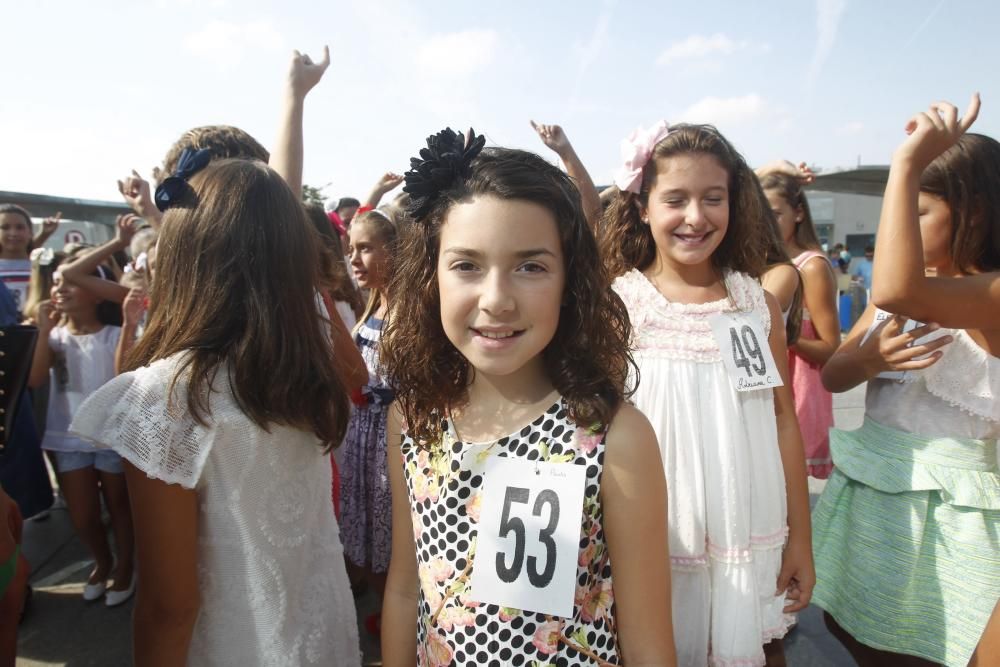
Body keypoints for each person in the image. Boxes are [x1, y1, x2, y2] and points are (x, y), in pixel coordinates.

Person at [379, 129, 675, 665]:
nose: (497, 300)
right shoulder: (412, 419)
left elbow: (649, 640)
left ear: (570, 281)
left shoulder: (613, 437)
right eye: (466, 265)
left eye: (530, 266)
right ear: (431, 278)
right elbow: (405, 589)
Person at [70, 157, 361, 666]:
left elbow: (168, 607)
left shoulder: (163, 401)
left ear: (182, 256)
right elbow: (359, 382)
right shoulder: (306, 362)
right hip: (323, 637)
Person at [600, 121, 814, 666]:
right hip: (658, 536)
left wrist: (800, 539)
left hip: (748, 525)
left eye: (712, 199)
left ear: (733, 205)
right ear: (643, 206)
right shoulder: (618, 307)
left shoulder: (756, 304)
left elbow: (783, 419)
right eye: (676, 199)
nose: (695, 217)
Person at [815, 94, 998, 667]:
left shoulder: (985, 294)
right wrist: (869, 360)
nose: (898, 228)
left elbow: (897, 289)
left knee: (941, 642)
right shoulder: (906, 294)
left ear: (974, 212)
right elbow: (836, 373)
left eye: (916, 211)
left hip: (953, 515)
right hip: (876, 491)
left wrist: (905, 164)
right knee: (859, 631)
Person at [27, 248, 133, 606]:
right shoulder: (53, 338)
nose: (62, 289)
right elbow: (36, 378)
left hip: (111, 437)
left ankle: (125, 567)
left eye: (71, 283)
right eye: (56, 283)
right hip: (67, 437)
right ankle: (102, 562)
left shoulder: (114, 335)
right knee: (83, 513)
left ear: (96, 291)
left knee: (119, 506)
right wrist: (42, 333)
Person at [757, 165, 840, 479]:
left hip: (798, 393)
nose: (767, 223)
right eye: (761, 214)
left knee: (789, 498)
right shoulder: (758, 263)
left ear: (799, 214)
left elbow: (831, 347)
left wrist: (783, 334)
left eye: (775, 214)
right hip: (762, 391)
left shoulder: (811, 266)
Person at [340, 208, 398, 629]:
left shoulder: (414, 311)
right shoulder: (371, 305)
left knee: (393, 537)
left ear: (394, 252)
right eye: (351, 249)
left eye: (365, 248)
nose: (354, 259)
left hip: (391, 443)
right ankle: (386, 608)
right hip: (362, 437)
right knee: (370, 534)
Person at [0, 205, 59, 316]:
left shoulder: (45, 266)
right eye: (5, 227)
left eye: (20, 227)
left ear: (30, 232)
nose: (13, 233)